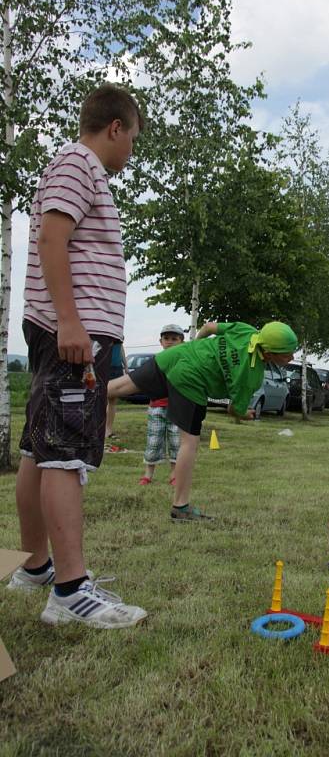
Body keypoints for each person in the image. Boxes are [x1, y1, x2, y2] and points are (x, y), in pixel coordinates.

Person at [8, 84, 147, 629]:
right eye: (132, 139)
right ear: (114, 127)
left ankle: (37, 566)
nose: (130, 151)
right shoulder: (78, 162)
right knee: (65, 452)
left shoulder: (78, 169)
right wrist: (71, 320)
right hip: (73, 334)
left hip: (74, 332)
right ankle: (70, 590)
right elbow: (50, 239)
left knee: (39, 449)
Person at [108, 321, 298, 521]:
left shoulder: (247, 330)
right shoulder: (252, 375)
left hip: (176, 355)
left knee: (118, 387)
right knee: (189, 443)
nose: (292, 357)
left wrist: (193, 347)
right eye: (287, 354)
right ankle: (180, 507)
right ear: (268, 353)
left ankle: (80, 395)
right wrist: (246, 414)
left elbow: (208, 327)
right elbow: (234, 410)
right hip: (191, 381)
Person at [139, 324, 184, 486]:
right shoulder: (156, 361)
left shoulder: (183, 361)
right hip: (156, 407)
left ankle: (174, 474)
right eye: (166, 338)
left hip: (177, 408)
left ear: (181, 341)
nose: (170, 342)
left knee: (175, 442)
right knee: (153, 441)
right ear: (160, 341)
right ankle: (148, 474)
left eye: (174, 339)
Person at [105, 342, 127, 438]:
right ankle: (98, 429)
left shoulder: (118, 330)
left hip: (117, 367)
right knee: (100, 399)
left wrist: (125, 365)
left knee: (112, 400)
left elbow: (121, 347)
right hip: (104, 366)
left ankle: (108, 430)